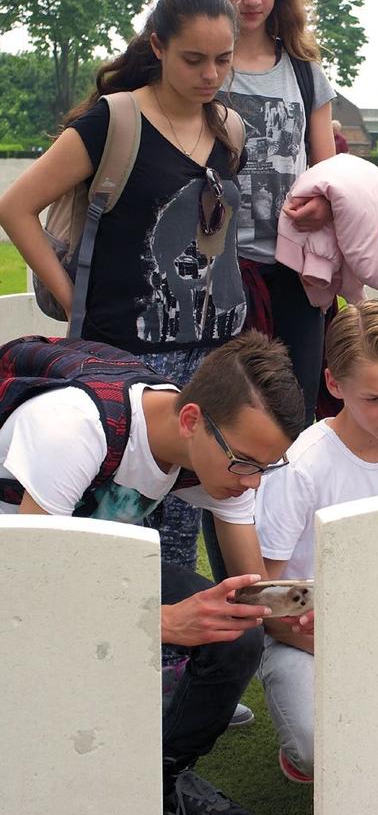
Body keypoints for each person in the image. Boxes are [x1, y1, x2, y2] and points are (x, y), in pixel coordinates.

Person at [0, 331, 306, 815]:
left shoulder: (218, 448)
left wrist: (298, 612)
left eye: (265, 468)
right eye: (245, 463)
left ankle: (158, 779)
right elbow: (29, 598)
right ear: (191, 420)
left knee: (234, 635)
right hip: (15, 575)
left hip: (79, 566)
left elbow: (255, 597)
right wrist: (160, 622)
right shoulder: (76, 429)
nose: (251, 482)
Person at [0, 0, 249, 573]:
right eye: (194, 59)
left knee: (178, 536)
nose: (211, 73)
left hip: (205, 358)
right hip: (119, 364)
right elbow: (15, 206)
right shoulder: (114, 122)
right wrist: (70, 297)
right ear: (158, 47)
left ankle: (171, 664)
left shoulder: (230, 133)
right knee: (105, 534)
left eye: (223, 59)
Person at [253, 301, 378, 783]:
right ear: (334, 385)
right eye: (374, 398)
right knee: (320, 748)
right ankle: (299, 746)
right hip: (301, 633)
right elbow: (263, 597)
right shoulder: (302, 465)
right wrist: (332, 642)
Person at [194, 0, 337, 423]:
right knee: (222, 416)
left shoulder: (304, 70)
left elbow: (329, 168)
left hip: (295, 273)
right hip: (216, 273)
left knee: (294, 417)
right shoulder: (202, 67)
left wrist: (323, 202)